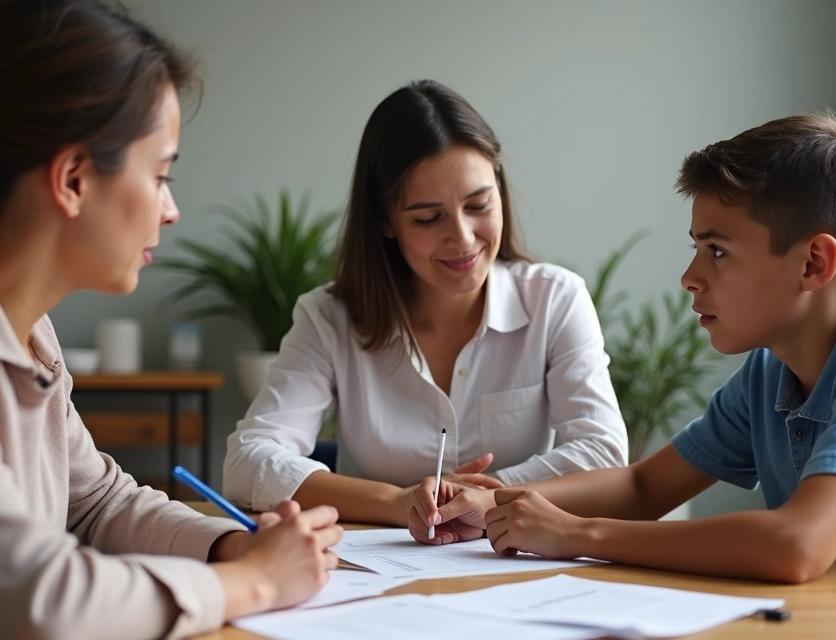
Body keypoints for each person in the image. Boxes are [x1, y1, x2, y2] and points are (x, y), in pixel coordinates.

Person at [0, 1, 342, 638]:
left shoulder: (25, 327)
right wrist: (254, 582)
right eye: (161, 173)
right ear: (72, 179)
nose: (170, 210)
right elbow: (34, 599)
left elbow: (96, 504)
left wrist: (234, 547)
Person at [410, 112, 836, 585]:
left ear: (814, 262)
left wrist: (578, 533)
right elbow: (645, 489)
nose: (690, 277)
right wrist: (496, 501)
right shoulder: (771, 370)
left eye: (718, 251)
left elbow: (797, 545)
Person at [223, 80, 628, 526]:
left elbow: (603, 453)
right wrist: (396, 503)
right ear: (385, 222)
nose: (463, 238)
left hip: (514, 564)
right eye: (428, 218)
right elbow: (247, 462)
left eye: (479, 205)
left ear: (500, 191)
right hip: (377, 572)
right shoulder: (328, 318)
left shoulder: (554, 299)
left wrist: (484, 497)